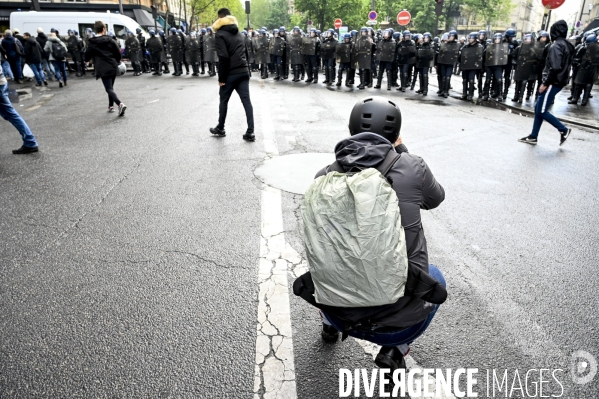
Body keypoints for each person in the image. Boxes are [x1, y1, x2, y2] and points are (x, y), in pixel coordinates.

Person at [294, 96, 446, 373]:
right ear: (396, 134)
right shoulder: (413, 167)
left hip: (336, 310)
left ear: (352, 130)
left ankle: (329, 326)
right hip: (396, 327)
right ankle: (396, 350)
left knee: (338, 260)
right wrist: (400, 151)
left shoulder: (325, 175)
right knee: (435, 275)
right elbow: (435, 199)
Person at [519, 20, 573, 146]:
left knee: (542, 110)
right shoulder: (567, 45)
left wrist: (545, 84)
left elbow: (555, 67)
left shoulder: (556, 46)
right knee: (539, 108)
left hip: (553, 82)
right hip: (559, 81)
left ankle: (563, 130)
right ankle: (533, 136)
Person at [209, 8, 255, 142]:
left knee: (223, 101)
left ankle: (221, 128)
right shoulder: (240, 34)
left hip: (230, 73)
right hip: (243, 71)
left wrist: (221, 78)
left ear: (220, 18)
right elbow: (246, 54)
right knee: (247, 102)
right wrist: (247, 71)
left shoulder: (220, 34)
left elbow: (223, 57)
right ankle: (250, 132)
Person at [85, 20, 126, 116]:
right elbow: (118, 54)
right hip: (112, 65)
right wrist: (116, 61)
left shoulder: (92, 42)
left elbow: (86, 56)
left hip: (102, 67)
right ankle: (111, 106)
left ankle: (119, 104)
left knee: (108, 88)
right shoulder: (110, 40)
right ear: (104, 29)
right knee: (110, 87)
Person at [0, 63, 39, 154]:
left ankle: (30, 141)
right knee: (10, 114)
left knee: (10, 114)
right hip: (1, 81)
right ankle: (30, 142)